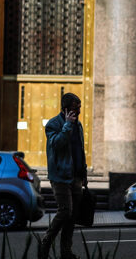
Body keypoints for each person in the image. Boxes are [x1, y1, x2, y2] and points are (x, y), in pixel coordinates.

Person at [38, 93, 88, 259]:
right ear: (66, 109)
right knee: (65, 211)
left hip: (76, 177)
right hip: (60, 176)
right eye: (76, 108)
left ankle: (66, 252)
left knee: (72, 216)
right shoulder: (53, 124)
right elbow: (57, 145)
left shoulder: (78, 125)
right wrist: (67, 125)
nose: (79, 111)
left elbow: (80, 150)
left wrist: (84, 172)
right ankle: (46, 241)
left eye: (79, 108)